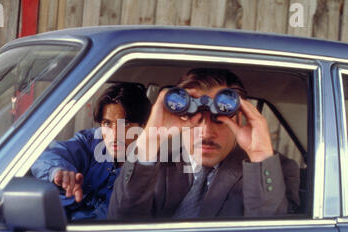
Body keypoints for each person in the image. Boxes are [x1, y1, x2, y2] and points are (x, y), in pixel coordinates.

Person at [108, 68, 300, 220]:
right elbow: (119, 224)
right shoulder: (154, 159)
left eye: (219, 118)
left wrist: (259, 154)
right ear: (181, 115)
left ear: (240, 118)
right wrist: (148, 142)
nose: (207, 131)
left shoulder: (275, 171)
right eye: (194, 116)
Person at [31, 82, 151, 221]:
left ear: (143, 127)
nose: (114, 134)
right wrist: (57, 171)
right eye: (107, 123)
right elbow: (44, 156)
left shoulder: (152, 168)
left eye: (125, 124)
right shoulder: (91, 141)